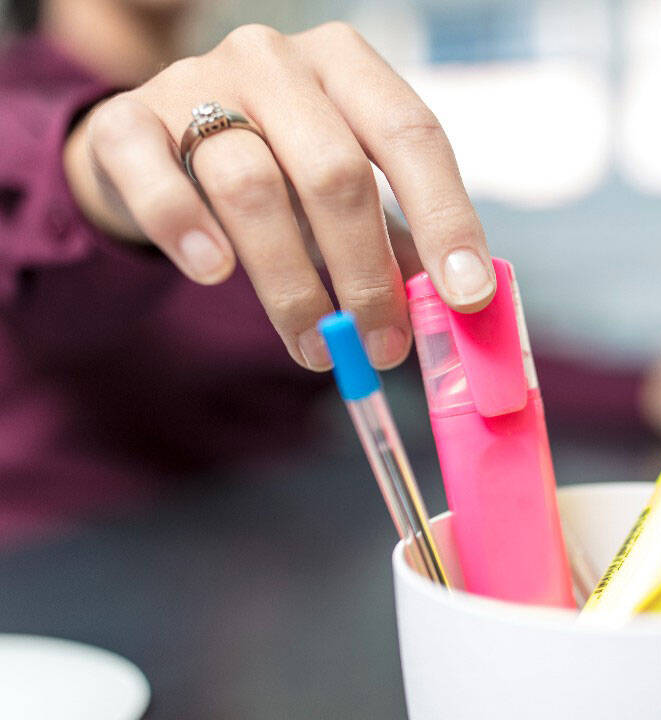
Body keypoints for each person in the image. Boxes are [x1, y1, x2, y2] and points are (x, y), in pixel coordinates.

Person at [0, 0, 500, 538]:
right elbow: (41, 193)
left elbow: (468, 346)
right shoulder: (17, 111)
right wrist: (98, 177)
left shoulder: (275, 136)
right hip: (77, 577)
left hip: (302, 554)